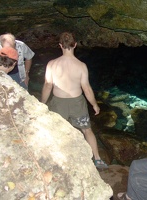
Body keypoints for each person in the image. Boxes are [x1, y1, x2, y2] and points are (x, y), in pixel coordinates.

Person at [41, 32, 108, 169]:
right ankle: (97, 159)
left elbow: (48, 85)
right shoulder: (81, 66)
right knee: (87, 130)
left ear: (60, 45)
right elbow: (87, 88)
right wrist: (94, 104)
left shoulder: (52, 64)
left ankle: (57, 159)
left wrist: (41, 103)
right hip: (77, 103)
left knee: (56, 130)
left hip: (58, 103)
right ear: (75, 45)